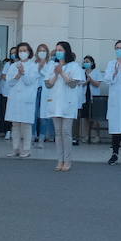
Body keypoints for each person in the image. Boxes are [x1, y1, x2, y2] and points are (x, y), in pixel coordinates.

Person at [45, 40, 86, 172]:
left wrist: (62, 72)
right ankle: (60, 160)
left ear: (67, 51)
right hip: (55, 102)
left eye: (61, 50)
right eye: (57, 50)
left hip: (68, 103)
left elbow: (73, 84)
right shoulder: (52, 65)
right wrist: (56, 73)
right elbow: (48, 84)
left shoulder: (74, 66)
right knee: (57, 133)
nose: (58, 52)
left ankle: (68, 161)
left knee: (66, 132)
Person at [3, 42, 40, 158]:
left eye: (25, 50)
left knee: (26, 125)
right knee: (15, 124)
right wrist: (18, 74)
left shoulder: (34, 66)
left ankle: (26, 149)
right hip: (14, 98)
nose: (22, 53)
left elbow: (29, 82)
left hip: (26, 99)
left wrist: (23, 73)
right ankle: (15, 149)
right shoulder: (13, 66)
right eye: (20, 51)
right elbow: (9, 82)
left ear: (29, 52)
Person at [77, 54, 101, 146]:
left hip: (93, 97)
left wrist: (90, 80)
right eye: (84, 62)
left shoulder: (96, 72)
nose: (85, 63)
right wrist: (85, 82)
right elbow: (79, 84)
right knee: (85, 118)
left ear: (92, 63)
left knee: (95, 118)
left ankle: (96, 136)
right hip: (84, 98)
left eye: (88, 62)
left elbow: (98, 84)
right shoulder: (81, 72)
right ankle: (86, 136)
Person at [33, 43, 54, 142]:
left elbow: (49, 76)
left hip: (45, 91)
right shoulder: (33, 63)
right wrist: (38, 68)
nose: (42, 53)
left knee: (44, 116)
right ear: (37, 53)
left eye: (44, 51)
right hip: (35, 90)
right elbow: (32, 76)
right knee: (33, 114)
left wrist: (41, 69)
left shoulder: (51, 64)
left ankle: (42, 137)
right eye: (40, 51)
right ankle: (33, 136)